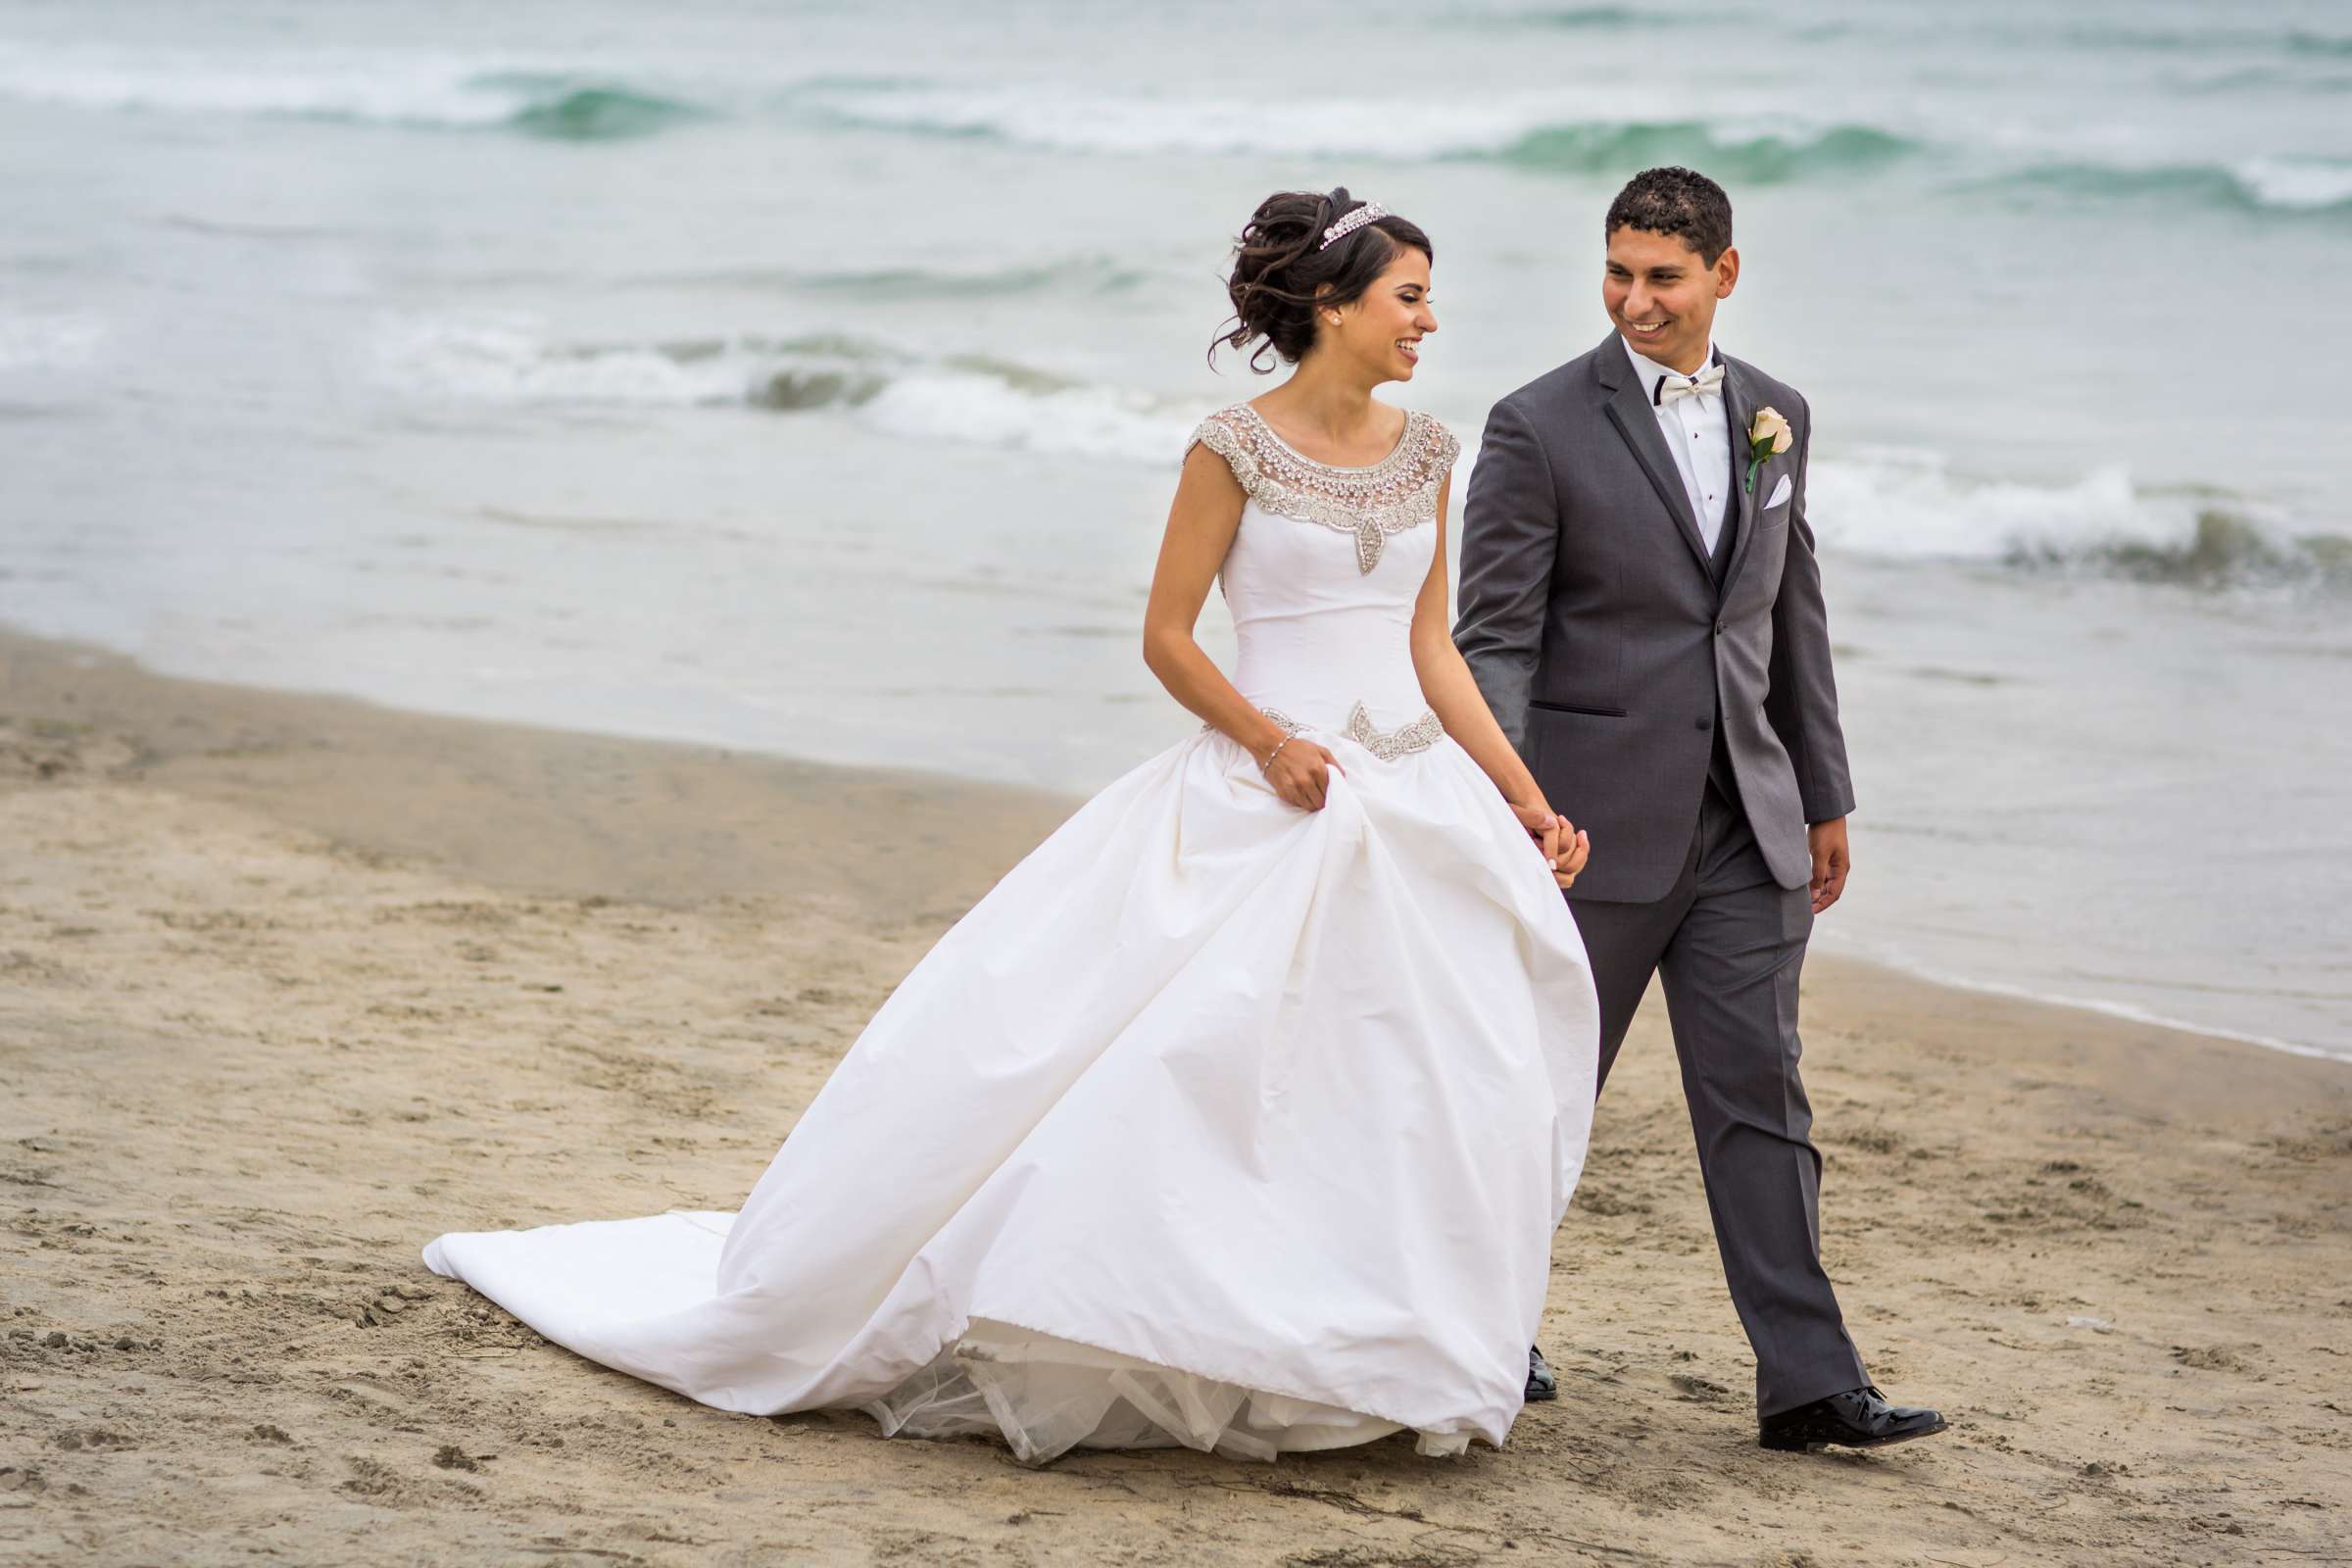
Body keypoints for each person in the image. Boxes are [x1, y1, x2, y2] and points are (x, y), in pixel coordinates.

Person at [423, 188, 1603, 1464]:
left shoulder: (1429, 451)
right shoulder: (1232, 446)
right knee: (1187, 1067)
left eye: (1428, 296)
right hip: (1273, 789)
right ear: (1333, 307)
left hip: (1415, 800)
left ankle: (1361, 1349)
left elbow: (1429, 647)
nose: (1431, 318)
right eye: (1408, 295)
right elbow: (1166, 636)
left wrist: (1524, 799)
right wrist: (1270, 745)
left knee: (1412, 1076)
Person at [1454, 166, 1947, 1452]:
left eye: (1662, 276)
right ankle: (1478, 1338)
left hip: (1751, 821)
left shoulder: (1776, 414)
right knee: (1542, 1096)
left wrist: (1825, 791)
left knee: (1764, 1105)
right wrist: (1515, 798)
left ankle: (1809, 1386)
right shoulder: (1536, 425)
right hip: (1588, 826)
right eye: (1617, 272)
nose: (1635, 299)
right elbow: (1493, 638)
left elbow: (1792, 613)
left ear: (1724, 274)